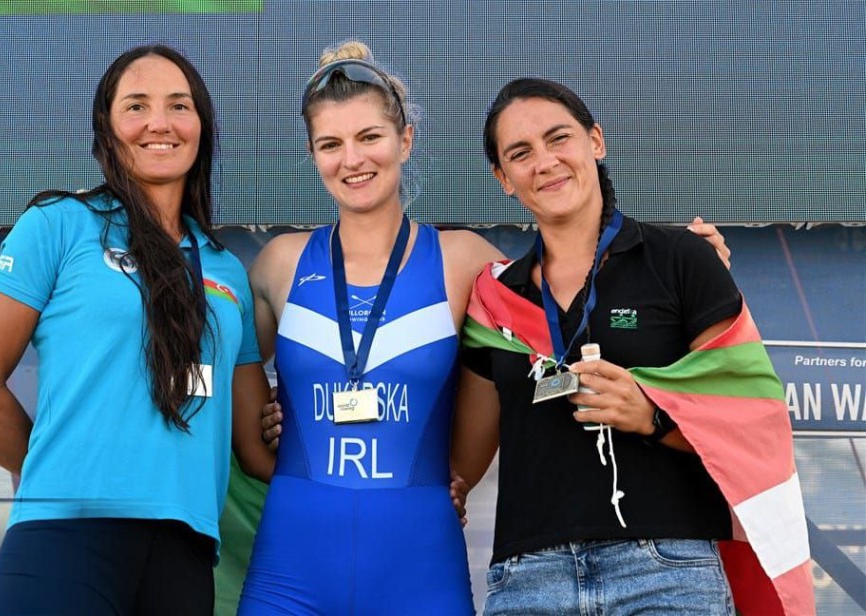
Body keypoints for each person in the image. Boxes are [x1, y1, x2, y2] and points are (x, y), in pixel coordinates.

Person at [233, 41, 732, 615]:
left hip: (420, 562)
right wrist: (278, 413)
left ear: (405, 140)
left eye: (369, 136)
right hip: (290, 565)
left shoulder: (468, 263)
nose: (353, 159)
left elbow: (572, 288)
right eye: (330, 144)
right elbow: (228, 383)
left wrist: (691, 268)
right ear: (312, 153)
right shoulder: (278, 264)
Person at [452, 78, 814, 614]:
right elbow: (461, 467)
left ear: (596, 141)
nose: (545, 162)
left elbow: (750, 419)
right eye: (520, 153)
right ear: (503, 178)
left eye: (559, 138)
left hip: (666, 571)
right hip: (529, 578)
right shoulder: (494, 301)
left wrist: (653, 416)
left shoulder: (682, 259)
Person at [0, 44, 261, 615]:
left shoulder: (227, 270)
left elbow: (254, 444)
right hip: (64, 538)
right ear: (106, 129)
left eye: (179, 105)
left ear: (202, 128)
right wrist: (53, 472)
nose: (159, 123)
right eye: (136, 106)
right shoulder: (58, 225)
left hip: (186, 552)